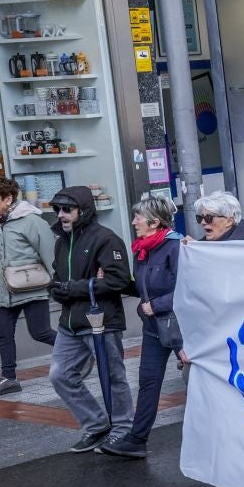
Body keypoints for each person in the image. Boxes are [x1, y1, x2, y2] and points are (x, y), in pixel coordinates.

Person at [48, 186, 133, 454]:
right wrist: (56, 288)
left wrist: (76, 288)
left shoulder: (105, 239)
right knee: (60, 375)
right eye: (58, 210)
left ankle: (122, 428)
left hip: (101, 321)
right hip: (70, 322)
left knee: (113, 376)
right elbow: (58, 275)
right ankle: (96, 425)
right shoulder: (62, 240)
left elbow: (118, 279)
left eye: (67, 209)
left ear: (82, 211)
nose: (61, 215)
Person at [106, 193, 184, 460]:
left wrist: (157, 304)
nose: (133, 221)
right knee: (148, 382)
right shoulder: (143, 249)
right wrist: (113, 281)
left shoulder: (176, 247)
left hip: (179, 327)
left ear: (153, 221)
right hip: (153, 326)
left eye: (138, 217)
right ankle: (137, 439)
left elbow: (189, 288)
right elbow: (142, 286)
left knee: (197, 380)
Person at [0, 175, 55, 397]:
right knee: (2, 333)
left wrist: (60, 287)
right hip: (4, 290)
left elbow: (50, 255)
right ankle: (9, 379)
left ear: (8, 198)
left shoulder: (32, 221)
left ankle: (79, 351)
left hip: (32, 288)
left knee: (40, 332)